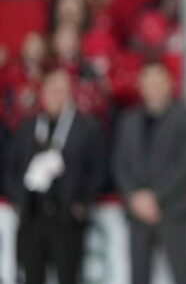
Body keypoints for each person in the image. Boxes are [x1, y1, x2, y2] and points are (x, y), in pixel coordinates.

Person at [3, 68, 104, 284]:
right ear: (42, 93)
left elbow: (97, 169)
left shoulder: (86, 127)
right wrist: (18, 200)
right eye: (50, 90)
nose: (54, 96)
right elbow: (10, 167)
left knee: (67, 276)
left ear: (69, 93)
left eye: (60, 91)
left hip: (66, 218)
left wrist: (81, 203)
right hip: (32, 216)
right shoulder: (28, 126)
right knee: (31, 276)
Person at [113, 61, 186, 284]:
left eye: (158, 81)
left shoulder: (185, 118)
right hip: (137, 213)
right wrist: (134, 197)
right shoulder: (129, 120)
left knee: (181, 275)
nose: (153, 87)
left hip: (172, 210)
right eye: (148, 82)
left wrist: (155, 196)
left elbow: (185, 163)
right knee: (138, 276)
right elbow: (120, 163)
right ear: (140, 86)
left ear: (168, 84)